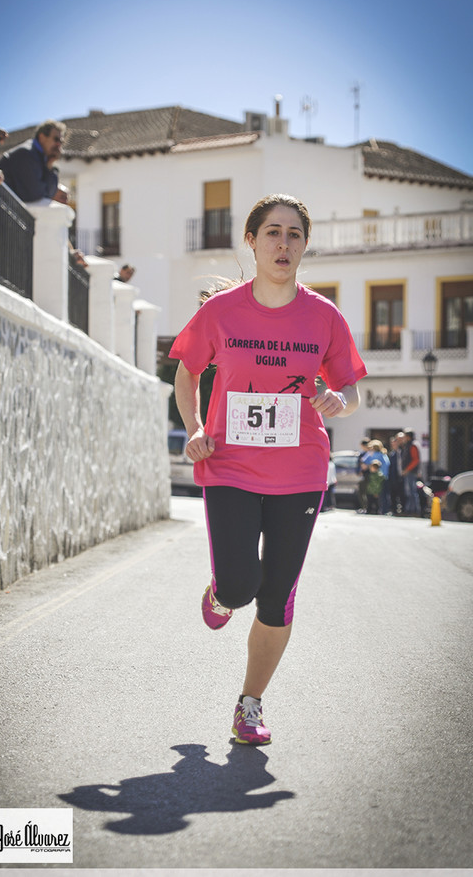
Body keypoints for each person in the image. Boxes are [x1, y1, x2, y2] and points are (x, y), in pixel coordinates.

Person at [170, 193, 367, 745]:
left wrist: (338, 401)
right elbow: (186, 373)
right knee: (240, 586)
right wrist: (194, 428)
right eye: (273, 233)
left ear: (305, 245)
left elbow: (349, 388)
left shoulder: (324, 316)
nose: (284, 244)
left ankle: (249, 706)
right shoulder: (221, 311)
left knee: (277, 595)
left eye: (295, 235)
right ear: (252, 242)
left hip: (300, 471)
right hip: (229, 465)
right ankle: (220, 594)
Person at [0, 120, 68, 204]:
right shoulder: (27, 154)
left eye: (61, 141)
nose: (59, 145)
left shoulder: (42, 159)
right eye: (56, 139)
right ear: (42, 137)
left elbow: (50, 193)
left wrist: (50, 164)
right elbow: (35, 195)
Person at [400, 429, 421, 515]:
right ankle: (409, 509)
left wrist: (407, 469)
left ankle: (414, 510)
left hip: (411, 472)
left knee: (412, 492)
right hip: (408, 472)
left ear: (408, 437)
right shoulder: (407, 445)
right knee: (409, 492)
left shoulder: (413, 446)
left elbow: (415, 460)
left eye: (405, 436)